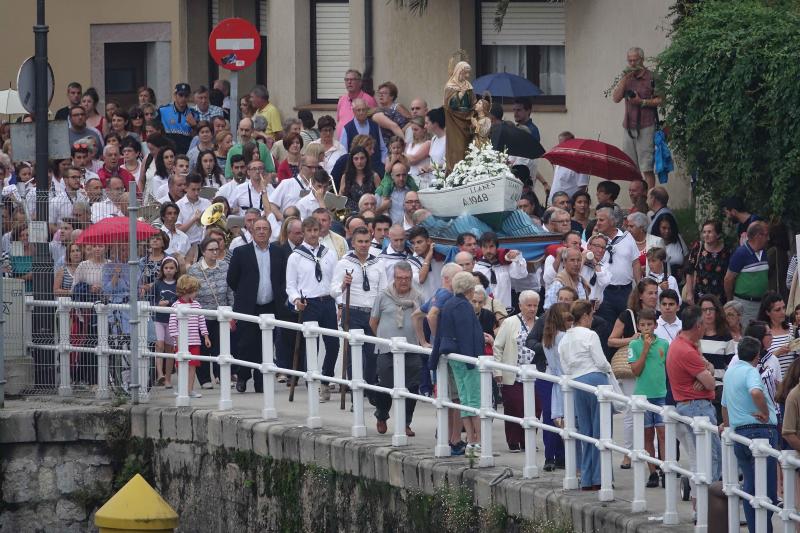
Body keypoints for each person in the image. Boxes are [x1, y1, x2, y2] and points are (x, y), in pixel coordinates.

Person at [665, 304, 722, 505]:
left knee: (704, 456)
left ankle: (704, 506)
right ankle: (713, 507)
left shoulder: (682, 344)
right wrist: (705, 375)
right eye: (703, 324)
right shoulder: (687, 351)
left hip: (690, 404)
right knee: (712, 457)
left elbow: (710, 370)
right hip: (697, 407)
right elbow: (711, 382)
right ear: (698, 325)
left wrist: (706, 372)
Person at [721, 336, 779, 533]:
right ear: (757, 355)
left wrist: (727, 426)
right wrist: (764, 412)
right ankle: (763, 529)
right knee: (768, 490)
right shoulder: (750, 371)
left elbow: (724, 405)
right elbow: (755, 392)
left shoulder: (729, 373)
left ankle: (757, 529)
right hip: (761, 432)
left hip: (740, 434)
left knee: (749, 487)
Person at [227, 217, 287, 393]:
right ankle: (243, 376)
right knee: (246, 343)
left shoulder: (278, 252)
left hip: (270, 306)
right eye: (258, 228)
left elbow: (283, 277)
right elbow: (232, 279)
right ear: (252, 232)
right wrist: (246, 293)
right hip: (248, 306)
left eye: (265, 229)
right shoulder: (240, 252)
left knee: (266, 344)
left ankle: (261, 380)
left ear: (270, 232)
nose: (261, 231)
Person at [430, 271, 485, 458]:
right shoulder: (462, 306)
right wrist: (473, 361)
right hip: (465, 359)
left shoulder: (450, 304)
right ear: (470, 288)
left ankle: (472, 440)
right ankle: (479, 441)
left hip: (454, 358)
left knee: (464, 399)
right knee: (474, 400)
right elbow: (465, 334)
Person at [559, 300, 612, 490]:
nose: (592, 319)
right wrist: (609, 370)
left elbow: (564, 366)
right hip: (596, 379)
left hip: (576, 382)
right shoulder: (590, 335)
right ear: (584, 316)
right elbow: (600, 361)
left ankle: (587, 477)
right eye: (590, 315)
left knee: (586, 431)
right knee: (601, 430)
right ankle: (599, 477)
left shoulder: (564, 339)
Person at [286, 216, 340, 401]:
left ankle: (325, 378)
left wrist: (339, 301)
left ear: (320, 231)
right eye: (308, 231)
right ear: (303, 233)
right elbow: (290, 285)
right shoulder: (295, 257)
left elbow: (335, 280)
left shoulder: (329, 254)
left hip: (327, 301)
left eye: (315, 230)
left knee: (333, 344)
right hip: (309, 303)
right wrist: (295, 300)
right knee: (311, 345)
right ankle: (312, 381)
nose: (312, 234)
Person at [331, 226, 387, 395]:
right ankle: (355, 387)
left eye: (366, 241)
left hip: (372, 313)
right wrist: (343, 285)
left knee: (372, 353)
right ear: (353, 243)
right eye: (360, 242)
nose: (363, 245)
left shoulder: (378, 263)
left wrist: (381, 313)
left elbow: (383, 291)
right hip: (352, 311)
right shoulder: (344, 263)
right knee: (353, 352)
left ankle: (369, 387)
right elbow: (333, 290)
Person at [369, 261, 423, 435]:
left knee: (412, 386)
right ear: (394, 277)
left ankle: (406, 423)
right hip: (387, 349)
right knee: (385, 384)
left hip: (412, 348)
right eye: (400, 278)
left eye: (407, 278)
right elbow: (373, 321)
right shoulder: (383, 296)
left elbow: (423, 320)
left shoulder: (418, 297)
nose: (403, 282)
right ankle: (382, 415)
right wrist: (384, 338)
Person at [493, 290, 540, 453]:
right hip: (514, 373)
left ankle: (529, 439)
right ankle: (514, 440)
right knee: (515, 406)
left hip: (534, 374)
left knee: (535, 408)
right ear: (520, 306)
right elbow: (498, 347)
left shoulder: (540, 322)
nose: (532, 309)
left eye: (535, 305)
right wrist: (497, 370)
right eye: (529, 305)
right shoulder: (510, 322)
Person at [628, 308, 669, 488]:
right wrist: (644, 349)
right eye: (642, 325)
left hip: (661, 395)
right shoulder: (634, 345)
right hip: (642, 396)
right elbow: (635, 370)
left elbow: (668, 368)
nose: (646, 328)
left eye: (649, 324)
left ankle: (665, 468)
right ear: (638, 325)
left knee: (663, 433)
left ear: (655, 325)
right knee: (647, 434)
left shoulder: (664, 344)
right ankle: (652, 472)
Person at [187, 237, 233, 389]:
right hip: (202, 315)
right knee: (204, 347)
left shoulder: (225, 266)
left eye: (216, 250)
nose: (214, 253)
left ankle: (222, 375)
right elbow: (191, 292)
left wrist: (231, 310)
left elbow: (230, 290)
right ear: (203, 251)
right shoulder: (194, 269)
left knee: (222, 346)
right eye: (211, 250)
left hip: (222, 313)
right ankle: (205, 378)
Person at [611, 46, 661, 188]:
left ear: (642, 60)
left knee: (647, 167)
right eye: (630, 61)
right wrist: (624, 79)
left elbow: (661, 100)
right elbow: (615, 98)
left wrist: (642, 102)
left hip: (646, 125)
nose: (632, 64)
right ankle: (638, 199)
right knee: (631, 167)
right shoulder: (626, 78)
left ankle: (651, 199)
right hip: (628, 126)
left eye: (635, 60)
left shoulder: (652, 77)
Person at [595, 207, 642, 324]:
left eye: (601, 220)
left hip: (626, 292)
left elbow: (635, 263)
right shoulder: (595, 241)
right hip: (604, 292)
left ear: (612, 221)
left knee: (629, 326)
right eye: (597, 220)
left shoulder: (627, 237)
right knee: (607, 328)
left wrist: (640, 287)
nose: (597, 223)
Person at [168, 275, 211, 399]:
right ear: (188, 290)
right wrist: (177, 339)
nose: (196, 293)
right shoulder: (175, 306)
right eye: (195, 290)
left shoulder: (197, 305)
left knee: (192, 366)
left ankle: (190, 389)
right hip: (181, 342)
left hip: (195, 341)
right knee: (181, 365)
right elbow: (172, 325)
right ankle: (182, 388)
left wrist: (206, 336)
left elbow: (201, 321)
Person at [725, 220, 770, 326]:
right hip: (745, 304)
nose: (768, 239)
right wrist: (730, 300)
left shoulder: (764, 253)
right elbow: (728, 279)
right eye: (766, 235)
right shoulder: (741, 253)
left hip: (762, 303)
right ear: (758, 236)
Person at [474, 232, 527, 309]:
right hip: (484, 310)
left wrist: (517, 258)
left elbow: (521, 274)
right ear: (481, 248)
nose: (488, 250)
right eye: (485, 247)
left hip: (504, 310)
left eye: (491, 246)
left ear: (496, 247)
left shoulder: (506, 264)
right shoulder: (476, 267)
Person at [685, 220, 730, 305]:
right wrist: (689, 293)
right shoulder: (698, 247)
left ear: (718, 234)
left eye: (709, 232)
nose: (706, 235)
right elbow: (689, 271)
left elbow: (729, 274)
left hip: (719, 296)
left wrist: (729, 297)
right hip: (700, 295)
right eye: (704, 232)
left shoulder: (726, 251)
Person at [443, 61, 475, 171]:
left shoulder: (468, 86)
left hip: (467, 120)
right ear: (459, 72)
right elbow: (449, 105)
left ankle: (467, 170)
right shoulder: (450, 86)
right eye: (465, 73)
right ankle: (456, 171)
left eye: (468, 73)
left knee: (467, 147)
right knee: (458, 148)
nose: (467, 76)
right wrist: (461, 94)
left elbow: (473, 102)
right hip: (455, 122)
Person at [340, 98, 387, 172]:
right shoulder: (347, 128)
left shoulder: (375, 126)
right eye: (358, 110)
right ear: (353, 111)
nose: (361, 112)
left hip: (376, 168)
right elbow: (343, 152)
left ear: (367, 110)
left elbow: (383, 148)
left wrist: (382, 163)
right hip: (356, 170)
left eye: (363, 110)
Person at [153, 257, 180, 387]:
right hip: (159, 319)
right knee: (159, 344)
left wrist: (168, 303)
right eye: (166, 268)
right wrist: (158, 304)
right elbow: (151, 299)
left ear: (176, 269)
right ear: (162, 269)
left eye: (171, 268)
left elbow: (180, 299)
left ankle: (168, 378)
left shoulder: (178, 284)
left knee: (170, 349)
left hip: (172, 320)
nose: (168, 271)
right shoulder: (157, 284)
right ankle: (160, 374)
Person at [758, 291, 797, 378]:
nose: (783, 312)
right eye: (777, 310)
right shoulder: (763, 333)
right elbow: (758, 362)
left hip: (793, 381)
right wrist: (778, 353)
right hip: (774, 381)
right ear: (768, 312)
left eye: (784, 308)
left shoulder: (792, 328)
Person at [336, 69, 377, 137]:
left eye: (353, 79)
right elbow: (339, 120)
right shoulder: (342, 100)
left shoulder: (369, 100)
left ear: (360, 82)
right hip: (342, 143)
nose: (349, 82)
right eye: (347, 79)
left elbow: (374, 124)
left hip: (359, 143)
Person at [159, 83, 198, 154]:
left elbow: (196, 138)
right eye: (180, 95)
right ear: (175, 95)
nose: (183, 98)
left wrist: (194, 126)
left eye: (186, 96)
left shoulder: (194, 114)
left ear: (189, 97)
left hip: (185, 154)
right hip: (168, 153)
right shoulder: (162, 111)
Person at [339, 146, 380, 213]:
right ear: (352, 160)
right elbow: (341, 199)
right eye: (356, 159)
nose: (359, 162)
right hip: (350, 214)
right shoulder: (346, 177)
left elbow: (380, 198)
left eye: (362, 158)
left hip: (370, 212)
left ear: (366, 159)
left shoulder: (374, 176)